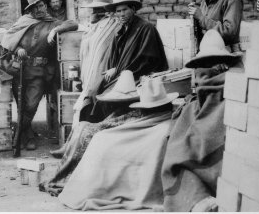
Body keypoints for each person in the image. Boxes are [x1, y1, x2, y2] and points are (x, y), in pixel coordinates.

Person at [58, 78, 179, 211]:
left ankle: (93, 187)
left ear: (144, 109)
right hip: (140, 141)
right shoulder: (168, 122)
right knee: (101, 139)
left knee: (101, 140)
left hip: (133, 150)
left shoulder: (162, 127)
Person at [161, 29, 243, 212]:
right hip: (199, 174)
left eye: (212, 64)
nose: (205, 74)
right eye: (202, 66)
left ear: (223, 66)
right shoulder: (191, 107)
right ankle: (198, 199)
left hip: (227, 172)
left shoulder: (233, 95)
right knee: (181, 160)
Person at [40, 70, 141, 195]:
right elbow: (109, 121)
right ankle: (67, 148)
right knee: (82, 126)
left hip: (118, 134)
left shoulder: (137, 112)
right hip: (112, 129)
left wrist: (96, 127)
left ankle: (68, 163)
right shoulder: (122, 109)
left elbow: (113, 124)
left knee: (85, 130)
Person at [0, 0, 78, 150]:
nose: (39, 9)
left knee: (31, 105)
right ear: (30, 10)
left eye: (41, 5)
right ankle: (27, 136)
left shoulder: (52, 22)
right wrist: (17, 49)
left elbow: (73, 24)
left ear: (45, 5)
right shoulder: (23, 22)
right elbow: (8, 40)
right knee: (21, 105)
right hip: (19, 70)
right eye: (35, 7)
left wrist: (56, 30)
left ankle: (18, 132)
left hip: (38, 72)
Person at [50, 0, 120, 158]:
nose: (94, 13)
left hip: (101, 76)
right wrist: (56, 30)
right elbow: (74, 25)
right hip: (88, 77)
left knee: (86, 111)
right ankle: (71, 146)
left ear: (107, 11)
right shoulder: (93, 27)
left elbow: (104, 53)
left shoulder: (112, 26)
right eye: (93, 9)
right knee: (81, 111)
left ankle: (73, 149)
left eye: (98, 10)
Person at [83, 0, 168, 123]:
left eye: (124, 10)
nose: (121, 14)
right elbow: (115, 57)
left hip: (140, 75)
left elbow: (146, 59)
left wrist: (119, 70)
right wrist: (114, 68)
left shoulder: (145, 28)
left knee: (108, 99)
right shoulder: (121, 30)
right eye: (118, 11)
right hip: (123, 74)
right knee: (94, 92)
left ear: (133, 9)